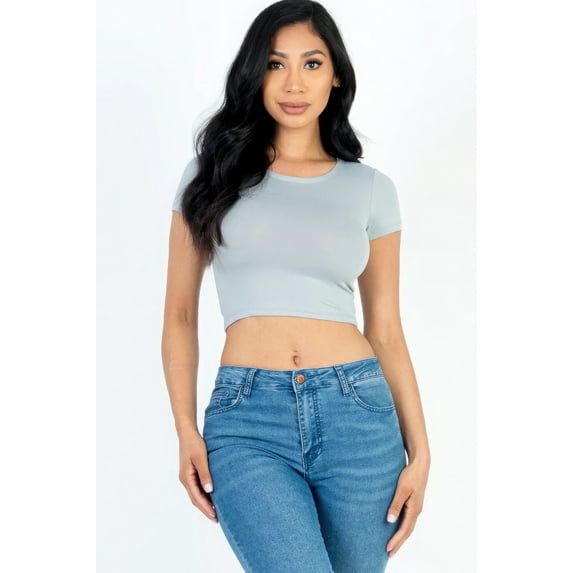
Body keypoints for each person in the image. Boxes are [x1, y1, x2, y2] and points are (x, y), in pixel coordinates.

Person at [161, 1, 430, 571]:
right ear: (254, 74)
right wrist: (185, 428)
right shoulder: (210, 176)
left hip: (359, 416)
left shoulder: (371, 189)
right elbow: (180, 315)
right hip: (247, 421)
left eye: (312, 64)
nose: (293, 83)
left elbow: (385, 328)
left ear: (336, 76)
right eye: (275, 64)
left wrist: (421, 451)